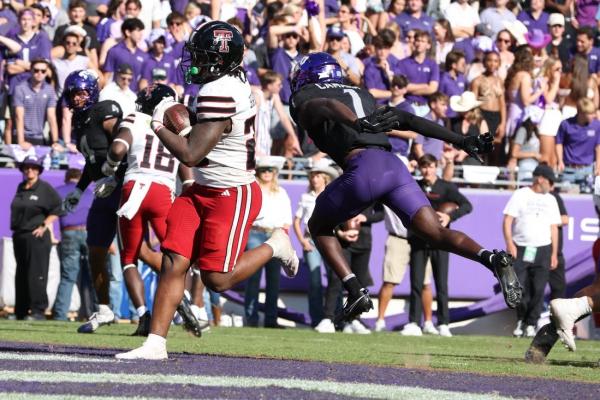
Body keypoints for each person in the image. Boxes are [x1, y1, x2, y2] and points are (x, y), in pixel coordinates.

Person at [288, 52, 522, 326]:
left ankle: (355, 291)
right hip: (394, 166)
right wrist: (460, 140)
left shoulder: (304, 97)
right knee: (434, 232)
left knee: (318, 225)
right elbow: (406, 119)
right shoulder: (359, 92)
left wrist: (354, 123)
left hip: (363, 167)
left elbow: (325, 104)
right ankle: (492, 258)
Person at [116, 21, 299, 360]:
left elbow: (190, 153)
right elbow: (197, 135)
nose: (195, 61)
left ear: (221, 58)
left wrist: (156, 120)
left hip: (231, 194)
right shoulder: (228, 83)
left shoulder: (220, 91)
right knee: (174, 260)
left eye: (202, 55)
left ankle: (276, 244)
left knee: (217, 279)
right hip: (201, 188)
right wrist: (176, 111)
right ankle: (155, 343)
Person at [101, 83, 199, 336]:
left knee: (129, 258)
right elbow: (187, 165)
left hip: (135, 188)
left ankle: (144, 315)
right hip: (164, 192)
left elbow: (117, 149)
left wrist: (109, 170)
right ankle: (183, 298)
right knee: (177, 255)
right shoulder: (174, 126)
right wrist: (188, 189)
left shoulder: (136, 118)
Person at [401, 154, 473, 337]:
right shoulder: (414, 185)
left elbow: (467, 205)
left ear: (436, 167)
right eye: (424, 166)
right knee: (416, 282)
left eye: (430, 166)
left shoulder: (446, 187)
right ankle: (413, 322)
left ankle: (443, 323)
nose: (427, 170)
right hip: (418, 239)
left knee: (441, 284)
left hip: (441, 241)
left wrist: (450, 216)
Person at [503, 164, 561, 338]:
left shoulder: (551, 199)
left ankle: (531, 323)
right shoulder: (520, 194)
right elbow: (507, 221)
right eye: (550, 181)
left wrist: (554, 253)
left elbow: (554, 228)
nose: (551, 186)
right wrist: (509, 244)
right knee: (518, 288)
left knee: (539, 289)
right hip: (520, 248)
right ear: (540, 179)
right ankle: (521, 319)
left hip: (543, 249)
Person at [10, 155, 61, 320]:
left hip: (36, 236)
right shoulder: (21, 187)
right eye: (26, 167)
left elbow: (58, 208)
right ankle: (21, 311)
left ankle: (38, 310)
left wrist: (44, 225)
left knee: (36, 273)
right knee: (21, 273)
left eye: (33, 167)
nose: (29, 170)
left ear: (39, 170)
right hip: (20, 235)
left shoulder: (45, 188)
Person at [244, 156, 293, 328]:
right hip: (255, 233)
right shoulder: (253, 189)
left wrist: (283, 235)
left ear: (274, 173)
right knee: (253, 278)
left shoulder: (281, 192)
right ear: (258, 172)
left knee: (274, 280)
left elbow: (287, 218)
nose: (267, 173)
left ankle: (271, 320)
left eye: (270, 170)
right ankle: (251, 319)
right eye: (264, 170)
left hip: (274, 235)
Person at [293, 159, 339, 327]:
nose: (314, 179)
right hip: (311, 241)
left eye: (318, 175)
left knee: (335, 279)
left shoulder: (332, 195)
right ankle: (317, 319)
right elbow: (296, 221)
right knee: (315, 281)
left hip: (329, 239)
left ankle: (334, 317)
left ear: (325, 178)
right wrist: (302, 240)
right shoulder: (306, 197)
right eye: (312, 176)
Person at [53, 168, 94, 321]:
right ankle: (93, 313)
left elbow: (52, 212)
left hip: (69, 232)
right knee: (91, 276)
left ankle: (60, 315)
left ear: (67, 178)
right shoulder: (90, 192)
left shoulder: (59, 191)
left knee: (68, 277)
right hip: (88, 233)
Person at [12, 58, 59, 150]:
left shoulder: (49, 90)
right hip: (22, 136)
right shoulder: (20, 88)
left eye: (43, 71)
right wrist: (21, 141)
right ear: (31, 70)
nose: (39, 73)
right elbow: (19, 116)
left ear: (46, 73)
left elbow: (51, 117)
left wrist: (55, 142)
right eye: (36, 70)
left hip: (39, 137)